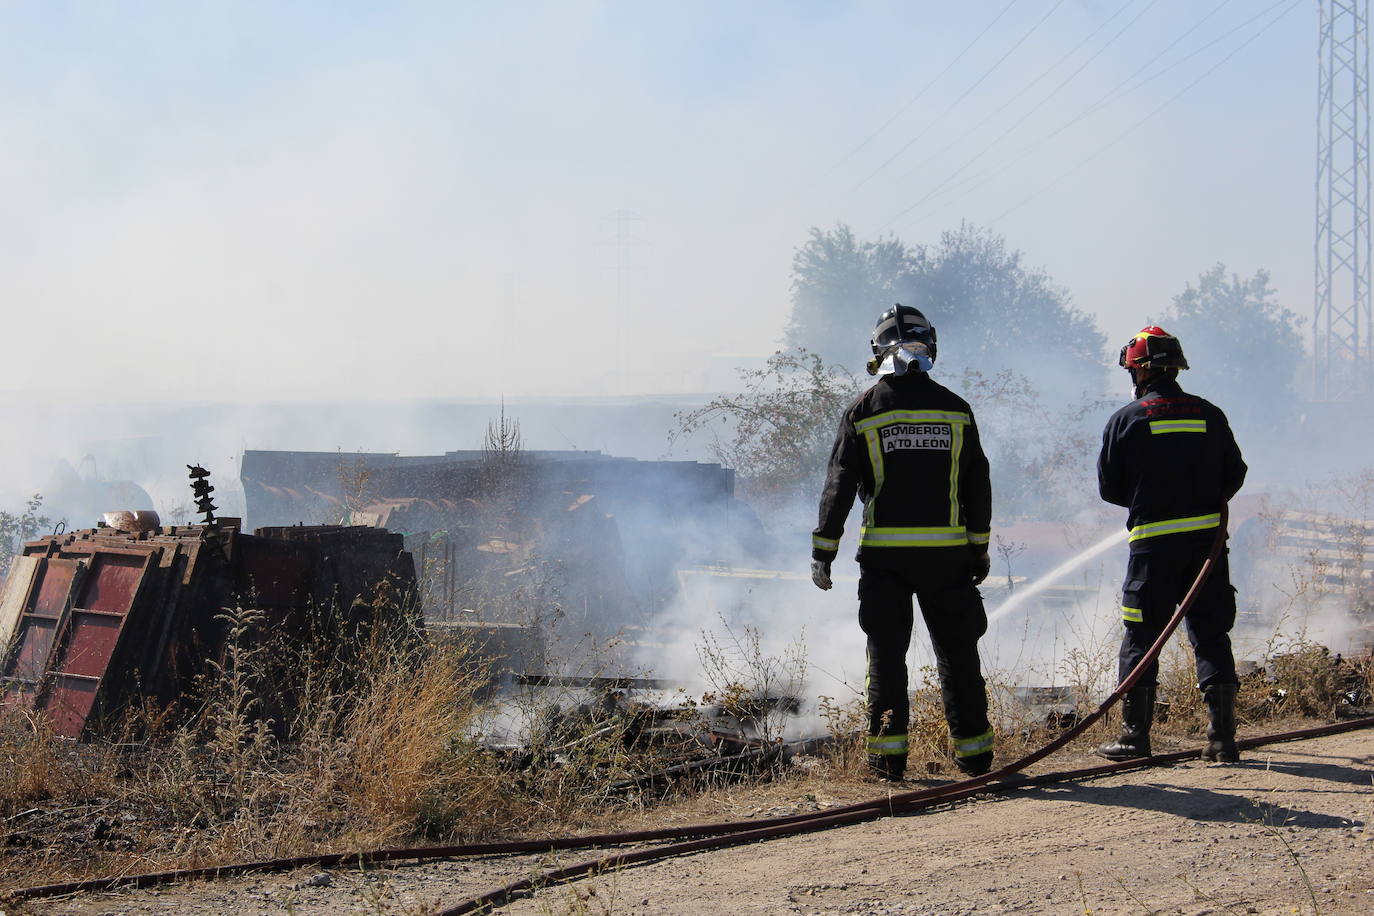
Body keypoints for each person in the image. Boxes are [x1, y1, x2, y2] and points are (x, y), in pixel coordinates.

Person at [811, 304, 995, 781]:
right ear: (930, 345)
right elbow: (977, 484)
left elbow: (839, 485)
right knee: (958, 657)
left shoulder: (863, 410)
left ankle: (887, 762)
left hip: (884, 560)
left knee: (886, 660)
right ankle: (975, 758)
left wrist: (823, 551)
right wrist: (978, 547)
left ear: (877, 350)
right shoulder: (955, 409)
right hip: (948, 558)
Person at [1097, 326, 1248, 763]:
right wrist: (1200, 502)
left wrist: (1151, 501)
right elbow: (1235, 473)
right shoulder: (1210, 414)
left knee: (1141, 637)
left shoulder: (1126, 419)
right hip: (1207, 549)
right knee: (1211, 635)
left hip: (1153, 550)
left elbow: (1110, 488)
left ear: (1141, 371)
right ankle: (1222, 740)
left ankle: (1134, 737)